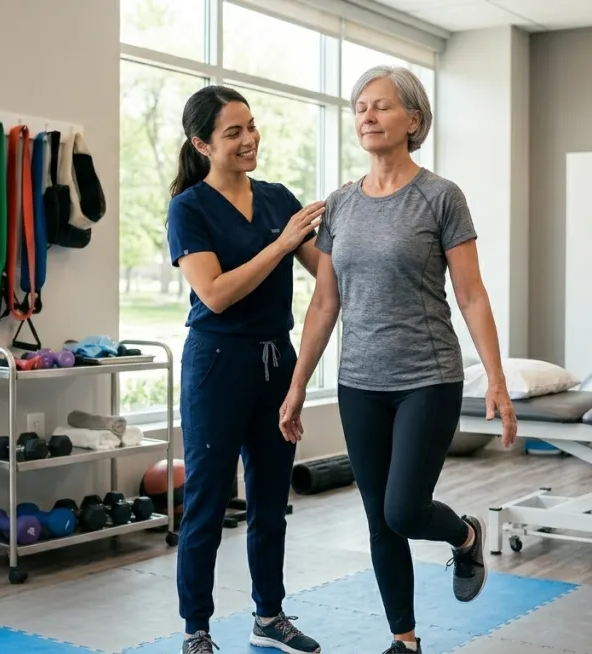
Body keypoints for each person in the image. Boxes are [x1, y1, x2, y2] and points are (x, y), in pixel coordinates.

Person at [278, 65, 518, 654]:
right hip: (360, 382)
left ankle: (463, 536)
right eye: (360, 107)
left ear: (413, 119)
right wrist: (297, 386)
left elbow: (471, 294)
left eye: (381, 106)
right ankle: (404, 641)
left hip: (427, 377)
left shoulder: (440, 197)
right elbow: (324, 303)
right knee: (379, 519)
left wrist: (496, 379)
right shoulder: (339, 205)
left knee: (405, 509)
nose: (367, 116)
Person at [166, 84, 325, 654]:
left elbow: (327, 273)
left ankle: (269, 615)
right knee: (208, 502)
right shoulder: (189, 209)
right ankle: (197, 629)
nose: (249, 139)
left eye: (251, 126)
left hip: (275, 361)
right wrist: (281, 245)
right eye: (233, 132)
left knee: (271, 500)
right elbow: (214, 294)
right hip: (217, 363)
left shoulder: (279, 197)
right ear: (202, 143)